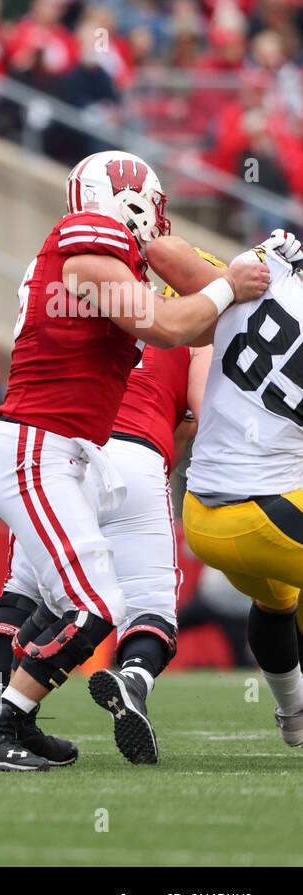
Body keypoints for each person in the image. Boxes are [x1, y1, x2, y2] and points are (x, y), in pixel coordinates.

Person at [0, 150, 271, 771]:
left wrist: (227, 285)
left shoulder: (97, 255)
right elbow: (173, 327)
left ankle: (10, 720)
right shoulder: (87, 237)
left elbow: (200, 326)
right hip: (36, 447)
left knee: (62, 596)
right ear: (127, 200)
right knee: (98, 604)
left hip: (63, 452)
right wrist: (231, 280)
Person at [157, 232, 303, 749]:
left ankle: (293, 712)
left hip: (202, 514)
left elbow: (163, 251)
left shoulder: (270, 266)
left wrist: (229, 284)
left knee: (279, 602)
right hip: (264, 513)